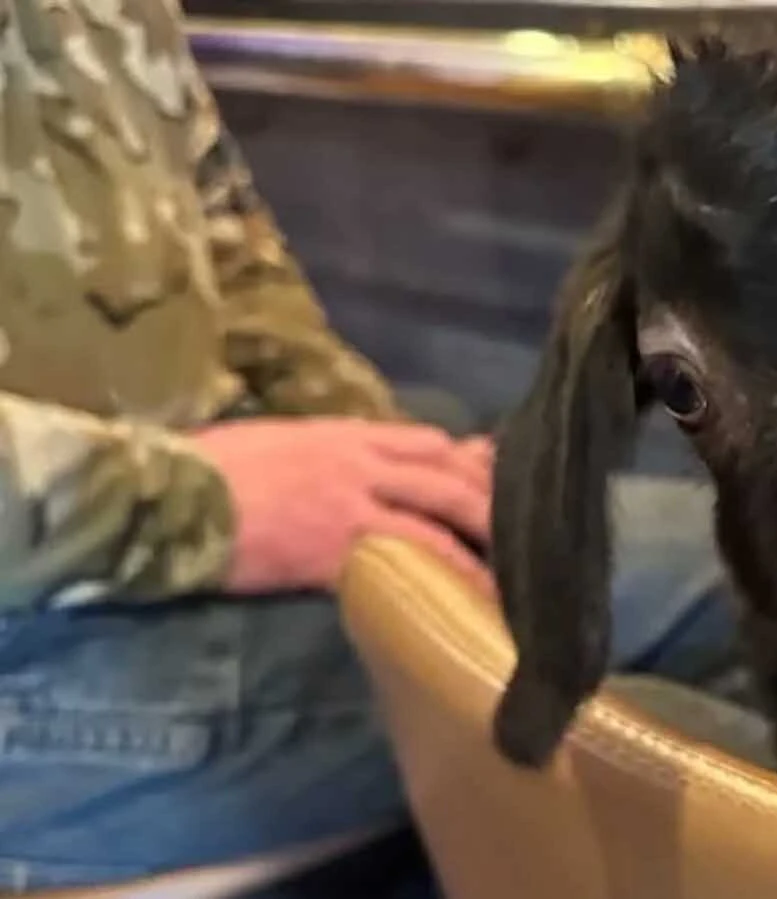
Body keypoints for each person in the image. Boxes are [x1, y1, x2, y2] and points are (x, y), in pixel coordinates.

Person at [0, 0, 738, 890]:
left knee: (477, 463)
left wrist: (377, 460)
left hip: (148, 492)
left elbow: (218, 225)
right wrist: (208, 505)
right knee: (724, 587)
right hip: (42, 627)